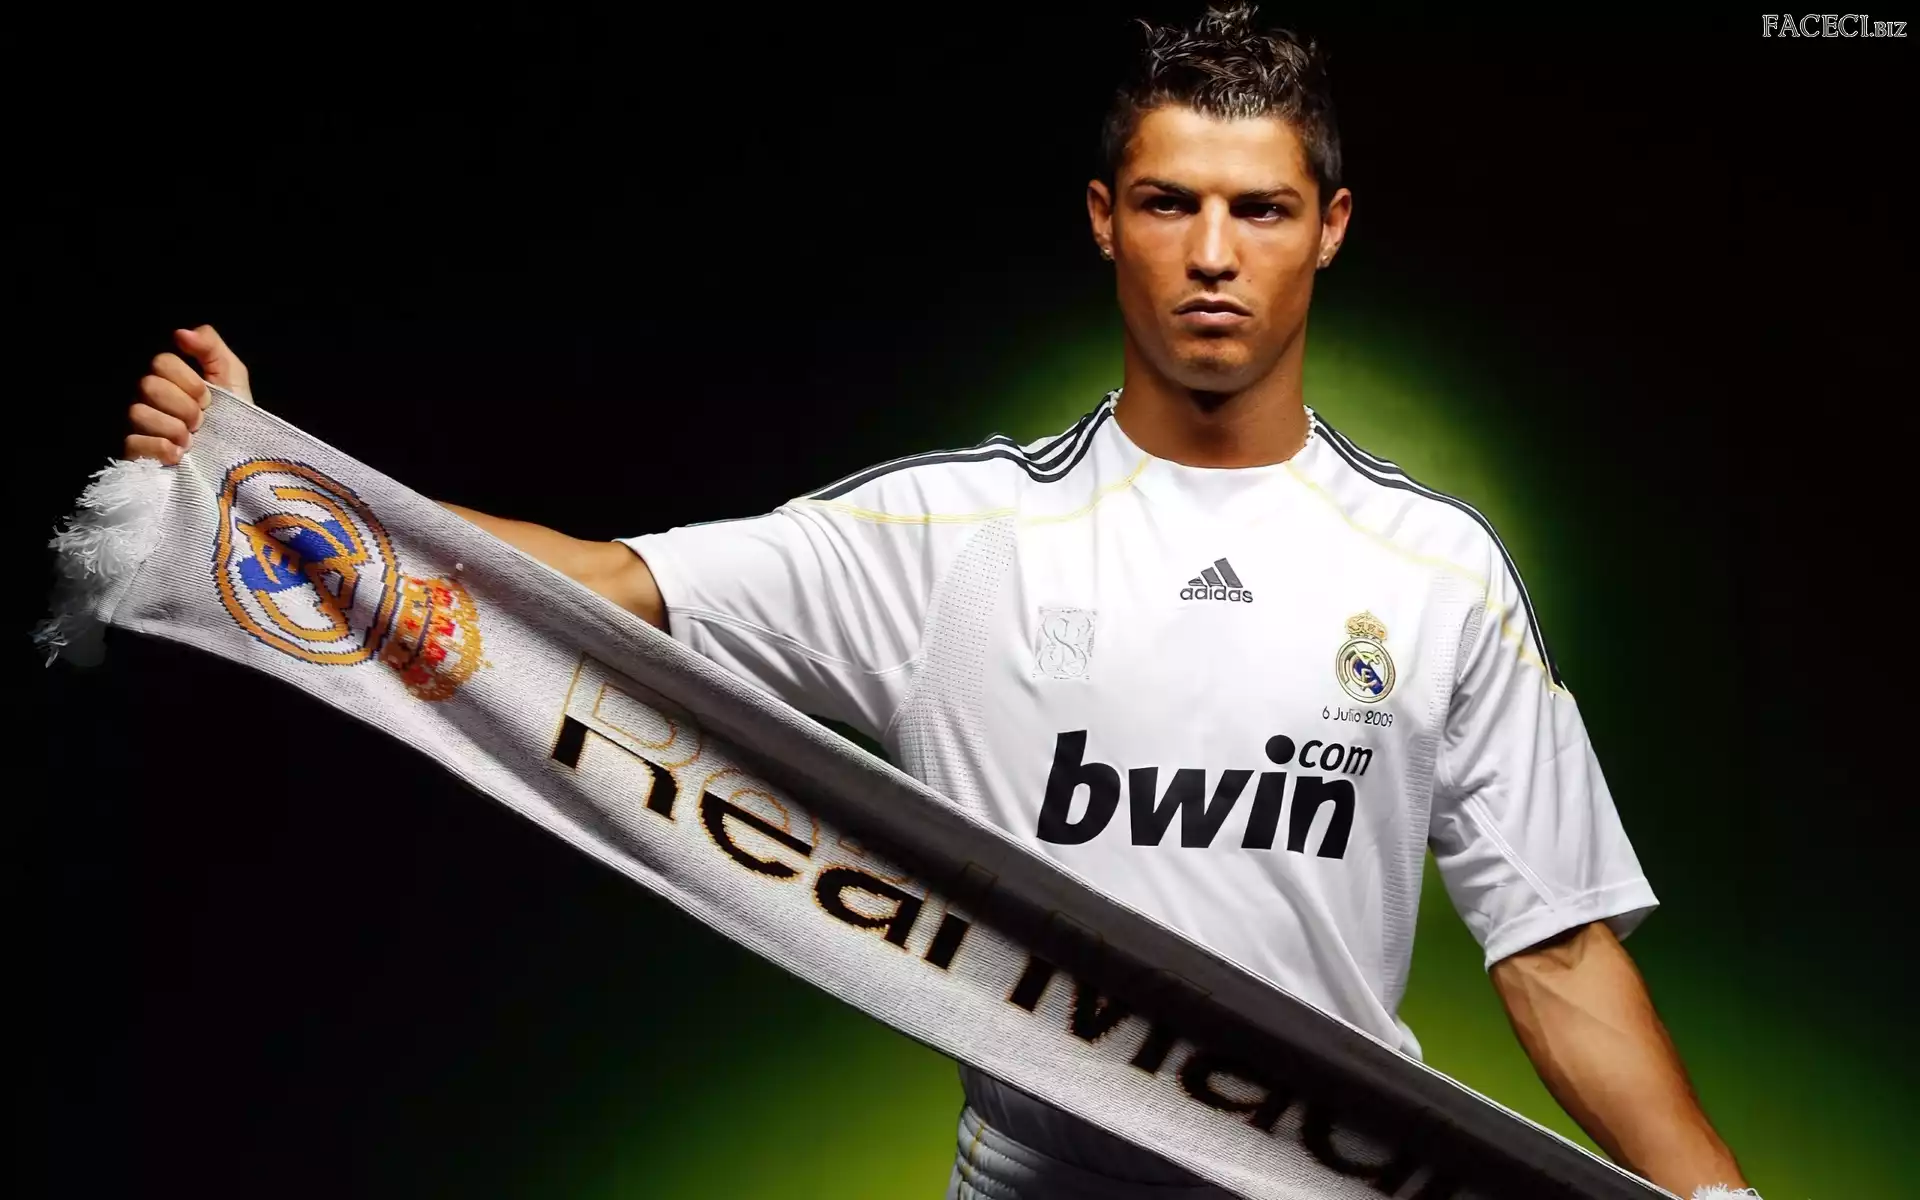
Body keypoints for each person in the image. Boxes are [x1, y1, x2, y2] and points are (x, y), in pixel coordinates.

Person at [121, 5, 1750, 1197]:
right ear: (1106, 221)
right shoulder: (948, 533)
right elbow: (608, 587)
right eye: (1170, 202)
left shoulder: (1435, 569)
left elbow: (1556, 953)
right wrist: (276, 482)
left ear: (1327, 230)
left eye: (1258, 209)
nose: (1213, 253)